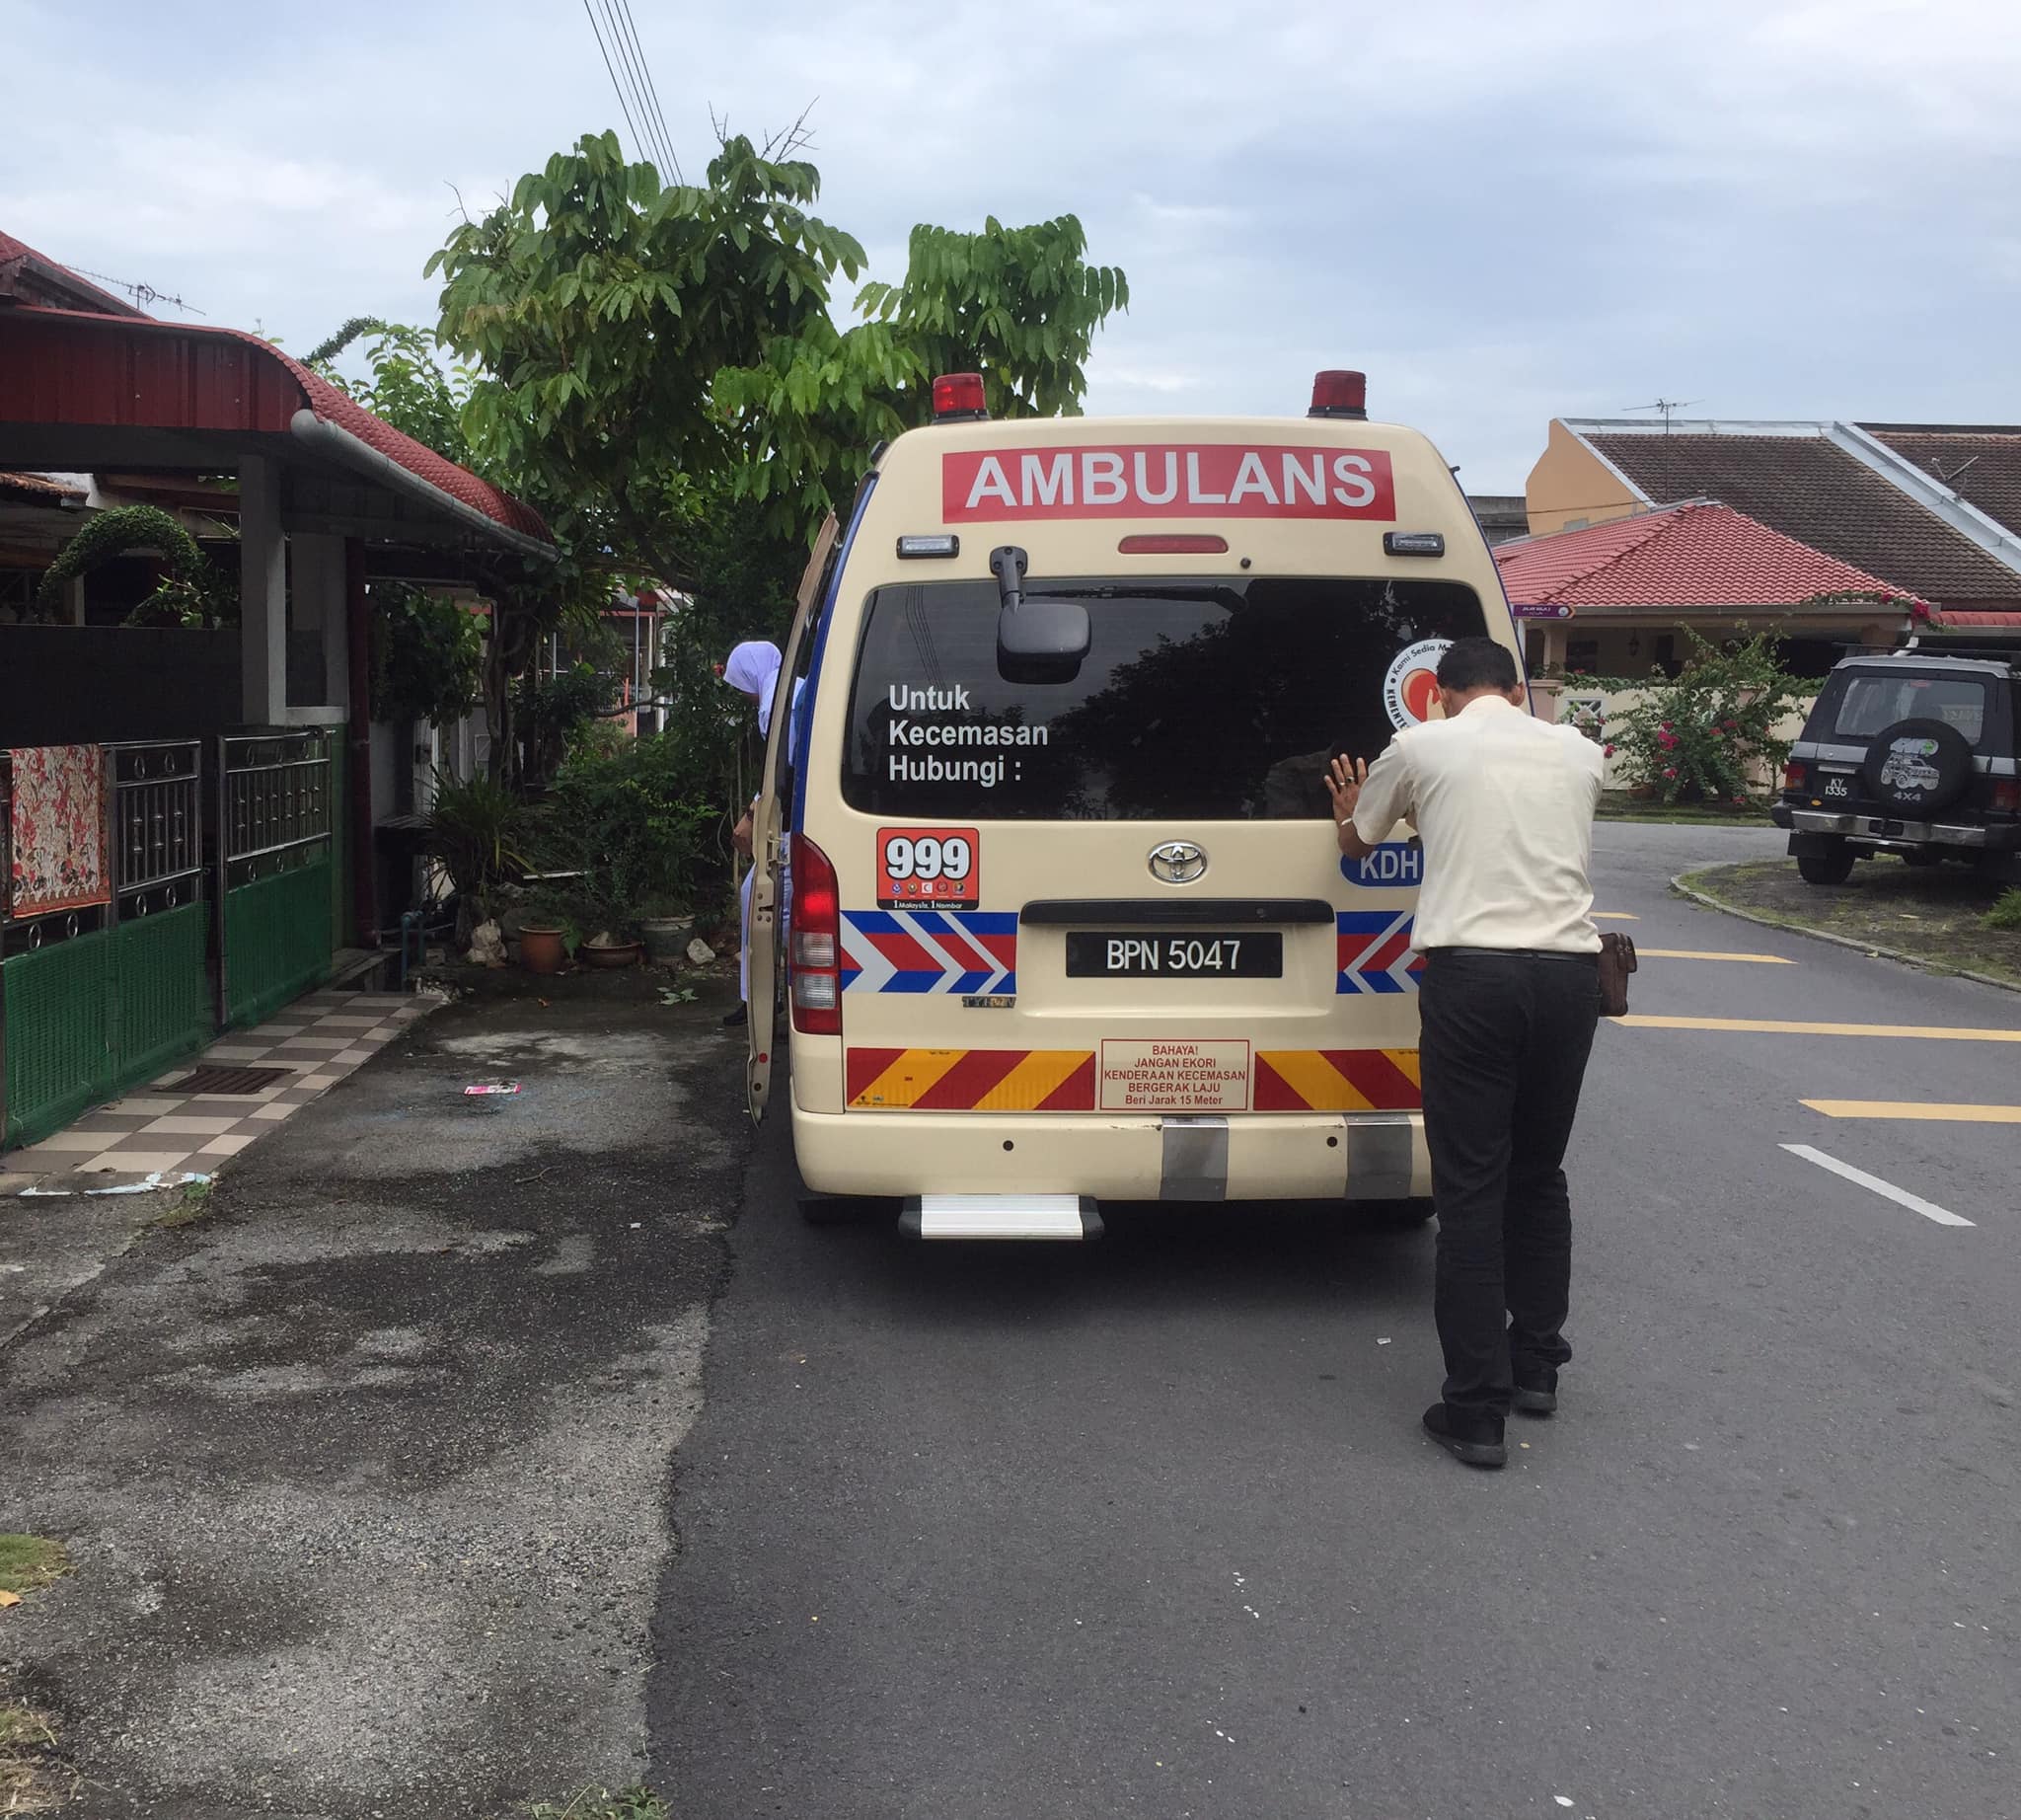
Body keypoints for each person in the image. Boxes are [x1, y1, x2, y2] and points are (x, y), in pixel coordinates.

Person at [1326, 637, 1605, 1471]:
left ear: (1439, 694)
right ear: (1518, 690)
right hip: (1570, 978)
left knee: (1471, 1188)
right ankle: (1537, 1366)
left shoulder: (1420, 745)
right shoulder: (1580, 753)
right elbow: (1516, 832)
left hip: (1474, 978)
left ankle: (1476, 1408)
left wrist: (1349, 805)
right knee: (1540, 1173)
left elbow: (1358, 844)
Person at [722, 640, 784, 1028]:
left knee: (757, 904)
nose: (742, 693)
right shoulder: (787, 689)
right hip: (788, 822)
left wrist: (750, 815)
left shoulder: (774, 701)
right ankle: (760, 998)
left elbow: (780, 772)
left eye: (740, 682)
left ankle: (761, 1002)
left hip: (791, 831)